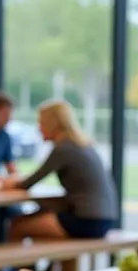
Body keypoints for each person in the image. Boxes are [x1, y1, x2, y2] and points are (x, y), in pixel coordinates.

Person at [6, 100, 118, 241]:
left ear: (54, 124)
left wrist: (8, 183)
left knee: (17, 226)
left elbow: (27, 183)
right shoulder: (83, 144)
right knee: (43, 224)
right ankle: (48, 264)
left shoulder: (64, 148)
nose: (39, 128)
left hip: (87, 222)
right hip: (104, 220)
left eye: (42, 123)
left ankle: (21, 264)